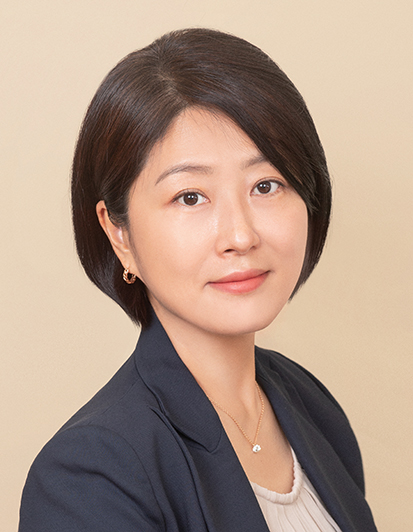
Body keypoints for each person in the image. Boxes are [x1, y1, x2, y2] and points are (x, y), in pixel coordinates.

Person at [19, 28, 377, 532]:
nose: (240, 235)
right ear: (119, 233)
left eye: (266, 185)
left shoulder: (310, 405)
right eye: (190, 197)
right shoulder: (90, 476)